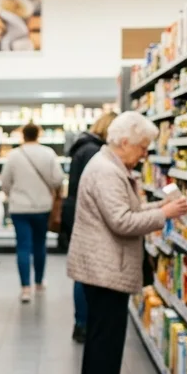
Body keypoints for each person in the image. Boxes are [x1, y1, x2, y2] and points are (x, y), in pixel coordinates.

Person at [67, 111, 187, 374]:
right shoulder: (107, 171)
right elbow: (122, 221)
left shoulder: (111, 165)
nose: (144, 155)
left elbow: (129, 209)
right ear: (124, 142)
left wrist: (160, 206)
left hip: (105, 265)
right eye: (142, 148)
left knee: (102, 335)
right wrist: (165, 215)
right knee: (106, 337)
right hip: (105, 267)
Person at [62, 111, 117, 343]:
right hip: (84, 212)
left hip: (74, 208)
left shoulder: (82, 147)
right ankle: (84, 322)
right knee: (85, 272)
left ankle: (81, 321)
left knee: (81, 270)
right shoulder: (94, 152)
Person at [0, 122, 63, 302]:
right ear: (38, 134)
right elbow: (58, 179)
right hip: (42, 207)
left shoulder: (14, 155)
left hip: (19, 208)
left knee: (23, 246)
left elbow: (5, 183)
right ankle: (39, 282)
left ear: (23, 135)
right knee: (39, 245)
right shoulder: (48, 153)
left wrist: (13, 194)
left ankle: (25, 288)